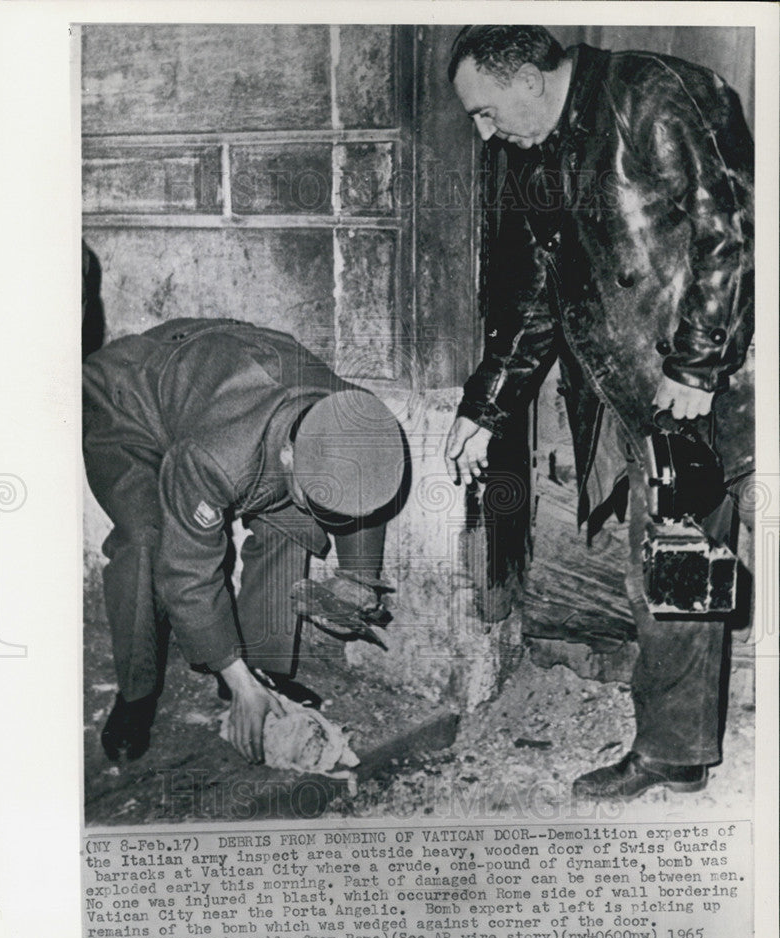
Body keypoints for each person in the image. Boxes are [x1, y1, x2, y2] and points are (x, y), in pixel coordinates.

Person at [444, 26, 754, 800]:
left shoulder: (651, 96)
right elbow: (535, 293)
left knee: (704, 545)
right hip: (642, 388)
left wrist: (697, 363)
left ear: (526, 79)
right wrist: (485, 406)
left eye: (484, 110)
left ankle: (677, 748)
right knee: (670, 560)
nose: (483, 131)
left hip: (712, 377)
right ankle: (675, 753)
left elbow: (736, 232)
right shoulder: (536, 152)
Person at [84, 318, 406, 765]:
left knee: (293, 520)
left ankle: (262, 672)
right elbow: (186, 573)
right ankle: (137, 693)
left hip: (212, 382)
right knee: (147, 541)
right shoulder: (216, 457)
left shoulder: (356, 418)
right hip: (127, 400)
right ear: (289, 455)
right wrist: (236, 684)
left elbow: (365, 498)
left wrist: (359, 579)